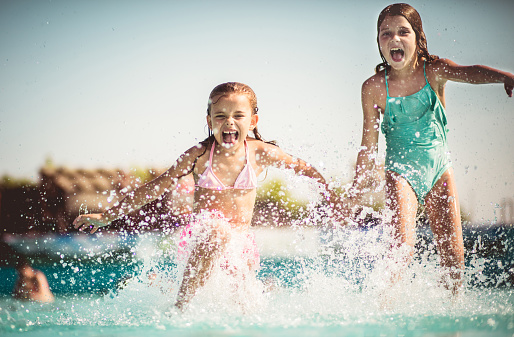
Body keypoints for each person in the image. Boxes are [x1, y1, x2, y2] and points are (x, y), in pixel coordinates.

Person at [73, 82, 343, 310]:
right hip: (202, 238)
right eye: (221, 116)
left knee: (242, 311)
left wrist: (330, 197)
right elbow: (156, 186)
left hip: (241, 246)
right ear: (209, 121)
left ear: (253, 121)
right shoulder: (199, 156)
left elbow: (304, 169)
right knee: (217, 230)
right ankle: (181, 308)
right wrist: (106, 216)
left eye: (238, 115)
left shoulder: (260, 152)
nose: (229, 122)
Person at [347, 3, 514, 294]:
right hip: (400, 173)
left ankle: (452, 313)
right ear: (378, 42)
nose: (394, 39)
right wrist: (358, 188)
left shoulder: (433, 71)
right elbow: (368, 144)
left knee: (454, 257)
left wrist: (504, 76)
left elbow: (469, 72)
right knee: (402, 249)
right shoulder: (374, 87)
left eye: (403, 32)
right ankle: (382, 306)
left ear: (418, 38)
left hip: (439, 171)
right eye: (385, 34)